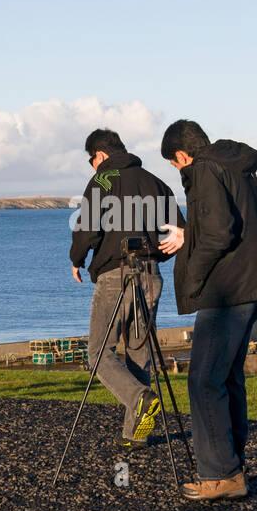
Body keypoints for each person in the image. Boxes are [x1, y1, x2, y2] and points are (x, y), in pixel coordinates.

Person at [159, 119, 257, 501]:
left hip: (227, 289)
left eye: (175, 166)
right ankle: (232, 467)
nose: (178, 173)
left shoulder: (204, 169)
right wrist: (188, 233)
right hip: (250, 282)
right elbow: (231, 224)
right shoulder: (234, 166)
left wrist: (193, 276)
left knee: (204, 379)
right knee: (226, 377)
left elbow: (218, 234)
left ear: (181, 155)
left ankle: (220, 472)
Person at [70, 129, 184, 447]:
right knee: (138, 352)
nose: (93, 167)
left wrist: (76, 259)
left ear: (101, 156)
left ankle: (138, 398)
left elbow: (87, 228)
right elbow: (177, 231)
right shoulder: (155, 183)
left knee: (97, 353)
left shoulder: (102, 180)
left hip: (114, 273)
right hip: (150, 273)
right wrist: (158, 254)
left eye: (92, 161)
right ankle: (135, 434)